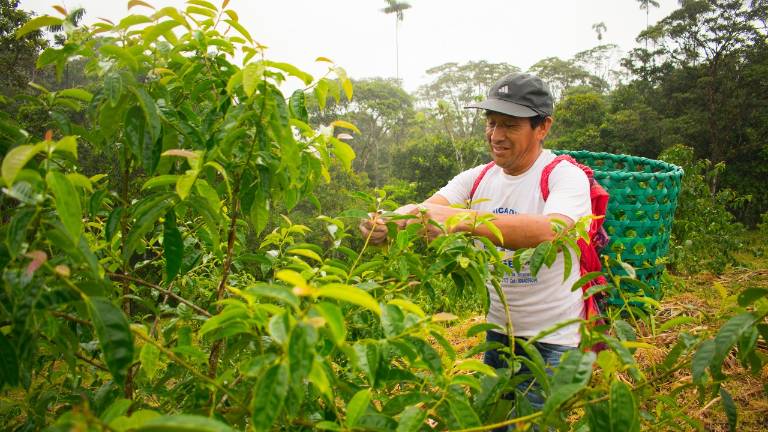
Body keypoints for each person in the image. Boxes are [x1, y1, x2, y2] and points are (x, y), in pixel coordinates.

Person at [360, 73, 591, 417]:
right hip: (498, 333)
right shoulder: (478, 177)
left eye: (510, 125)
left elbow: (551, 231)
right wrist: (385, 224)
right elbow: (425, 211)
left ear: (542, 127)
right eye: (491, 123)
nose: (496, 135)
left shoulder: (563, 175)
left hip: (554, 341)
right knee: (491, 419)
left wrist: (462, 220)